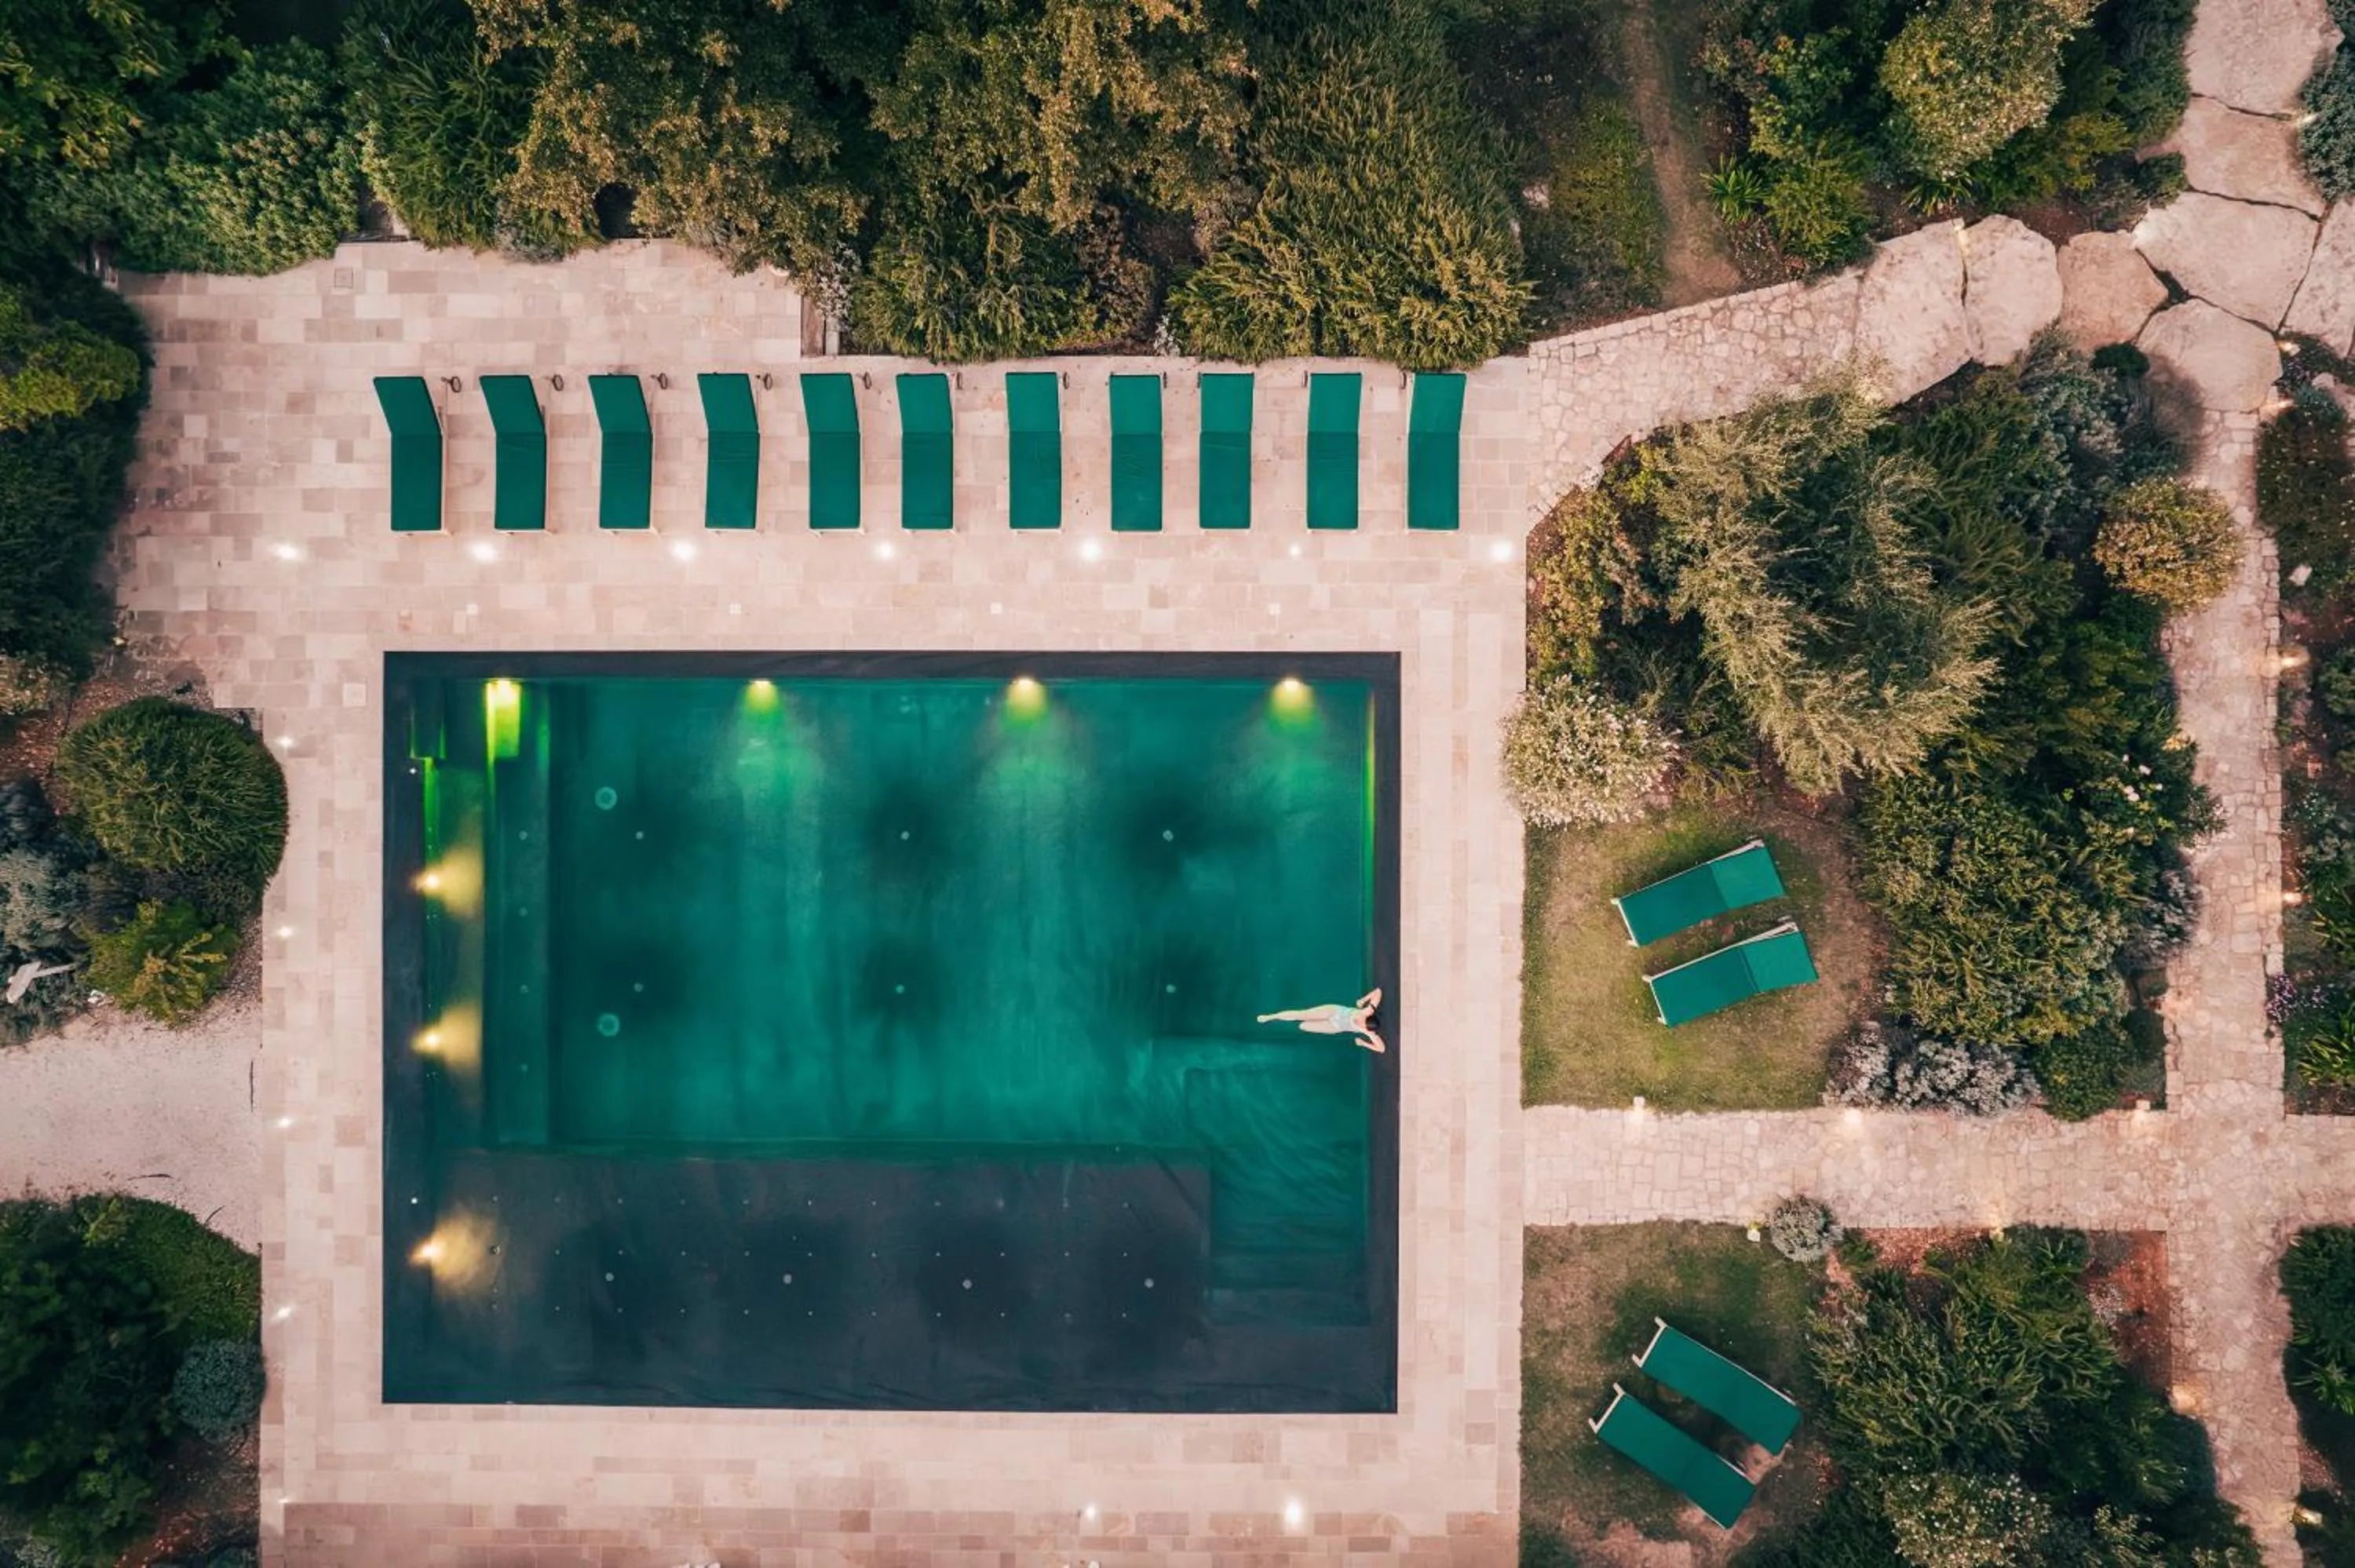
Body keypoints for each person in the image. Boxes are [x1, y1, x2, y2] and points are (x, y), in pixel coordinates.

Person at [1257, 988, 1384, 1053]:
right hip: (1335, 1012)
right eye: (1363, 1021)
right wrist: (1363, 1000)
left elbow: (1381, 1049)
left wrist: (1363, 1043)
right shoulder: (1368, 1011)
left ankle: (1286, 1020)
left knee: (1303, 1026)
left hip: (1336, 1027)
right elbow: (1378, 992)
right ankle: (1270, 1017)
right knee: (1302, 1015)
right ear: (1368, 1017)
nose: (1361, 1024)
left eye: (1363, 1026)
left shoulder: (1369, 1033)